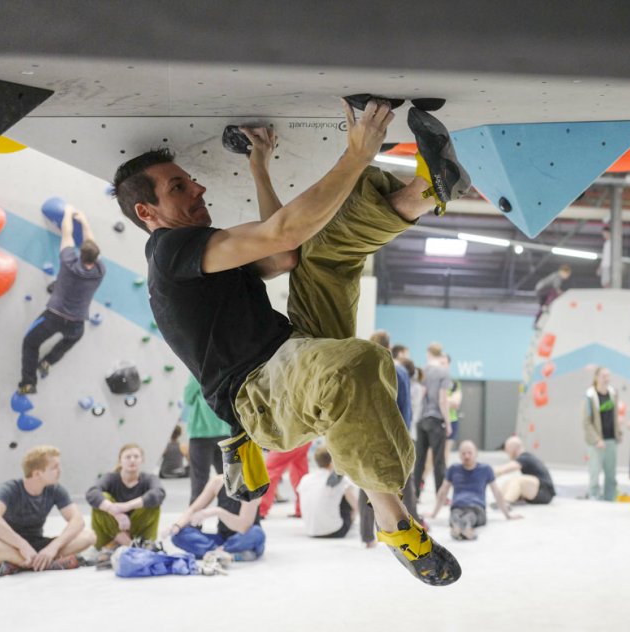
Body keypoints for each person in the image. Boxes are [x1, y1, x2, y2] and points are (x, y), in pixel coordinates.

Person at [113, 99, 466, 585]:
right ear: (146, 211)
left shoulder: (199, 251)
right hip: (262, 394)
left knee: (325, 253)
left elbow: (283, 255)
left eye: (190, 180)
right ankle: (395, 523)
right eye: (179, 187)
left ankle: (427, 189)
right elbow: (282, 230)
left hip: (291, 348)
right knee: (354, 365)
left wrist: (259, 164)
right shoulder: (170, 251)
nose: (198, 187)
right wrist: (357, 154)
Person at [18, 205, 106, 394]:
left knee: (30, 343)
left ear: (80, 254)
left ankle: (29, 382)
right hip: (76, 325)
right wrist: (84, 220)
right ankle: (48, 361)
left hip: (54, 317)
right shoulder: (100, 272)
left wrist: (67, 212)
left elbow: (67, 233)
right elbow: (90, 241)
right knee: (70, 341)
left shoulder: (68, 262)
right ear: (96, 257)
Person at [359, 331, 419, 549]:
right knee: (405, 485)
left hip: (367, 434)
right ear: (389, 347)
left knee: (367, 486)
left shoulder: (363, 370)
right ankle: (412, 534)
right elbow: (405, 409)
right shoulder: (399, 370)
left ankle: (367, 537)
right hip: (396, 436)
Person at [0, 446, 96, 575]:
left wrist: (52, 548)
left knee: (88, 536)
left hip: (39, 545)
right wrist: (22, 545)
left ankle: (21, 564)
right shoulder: (10, 489)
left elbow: (77, 520)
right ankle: (45, 564)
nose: (59, 471)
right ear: (37, 473)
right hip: (10, 545)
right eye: (54, 467)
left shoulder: (54, 489)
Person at [427, 441, 521, 540]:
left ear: (476, 454)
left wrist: (508, 515)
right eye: (463, 453)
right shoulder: (453, 469)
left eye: (469, 453)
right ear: (459, 455)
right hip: (458, 506)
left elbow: (496, 492)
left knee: (470, 516)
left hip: (477, 508)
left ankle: (464, 528)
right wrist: (434, 513)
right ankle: (460, 529)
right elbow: (443, 491)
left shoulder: (486, 469)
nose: (466, 456)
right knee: (454, 515)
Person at [86, 444, 166, 549]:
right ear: (120, 461)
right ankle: (126, 542)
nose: (132, 460)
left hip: (137, 533)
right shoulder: (110, 477)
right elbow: (92, 493)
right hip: (108, 536)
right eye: (128, 457)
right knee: (102, 499)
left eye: (136, 457)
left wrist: (127, 506)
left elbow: (159, 493)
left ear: (142, 460)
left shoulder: (149, 478)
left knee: (153, 501)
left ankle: (135, 544)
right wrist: (114, 511)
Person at [168, 474, 265, 561]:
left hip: (244, 539)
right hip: (222, 540)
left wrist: (218, 511)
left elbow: (243, 527)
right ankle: (222, 553)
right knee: (179, 534)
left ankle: (216, 552)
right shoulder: (217, 482)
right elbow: (193, 509)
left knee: (257, 533)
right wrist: (177, 526)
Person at [183, 374, 232, 504]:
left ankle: (194, 523)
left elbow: (187, 398)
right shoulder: (226, 369)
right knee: (228, 479)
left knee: (199, 479)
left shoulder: (196, 372)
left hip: (200, 433)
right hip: (225, 431)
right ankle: (227, 521)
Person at [414, 342, 452, 496]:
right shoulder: (443, 372)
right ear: (441, 354)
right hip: (436, 419)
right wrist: (448, 423)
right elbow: (443, 400)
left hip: (421, 420)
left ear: (428, 353)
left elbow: (419, 395)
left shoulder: (422, 371)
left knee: (420, 460)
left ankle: (415, 493)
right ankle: (440, 495)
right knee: (438, 460)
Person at [297, 444, 360, 539]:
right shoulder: (341, 480)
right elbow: (356, 506)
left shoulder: (305, 479)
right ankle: (349, 523)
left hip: (311, 530)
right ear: (332, 462)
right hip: (336, 531)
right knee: (347, 496)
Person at [582, 366, 621, 501]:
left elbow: (615, 416)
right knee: (594, 472)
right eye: (604, 376)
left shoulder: (613, 393)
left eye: (608, 376)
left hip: (611, 439)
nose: (606, 379)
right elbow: (586, 421)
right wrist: (597, 439)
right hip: (596, 441)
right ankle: (593, 497)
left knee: (611, 474)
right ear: (597, 377)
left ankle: (610, 498)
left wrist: (618, 433)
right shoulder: (590, 395)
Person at [495, 436, 556, 505]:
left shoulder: (525, 458)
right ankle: (501, 500)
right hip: (539, 491)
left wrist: (487, 473)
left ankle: (506, 502)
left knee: (517, 481)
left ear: (511, 449)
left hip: (544, 492)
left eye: (507, 450)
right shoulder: (527, 457)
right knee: (509, 481)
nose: (507, 454)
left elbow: (504, 469)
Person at [259, 443, 311, 519]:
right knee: (299, 472)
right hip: (306, 438)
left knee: (270, 471)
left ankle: (261, 510)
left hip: (289, 439)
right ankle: (302, 509)